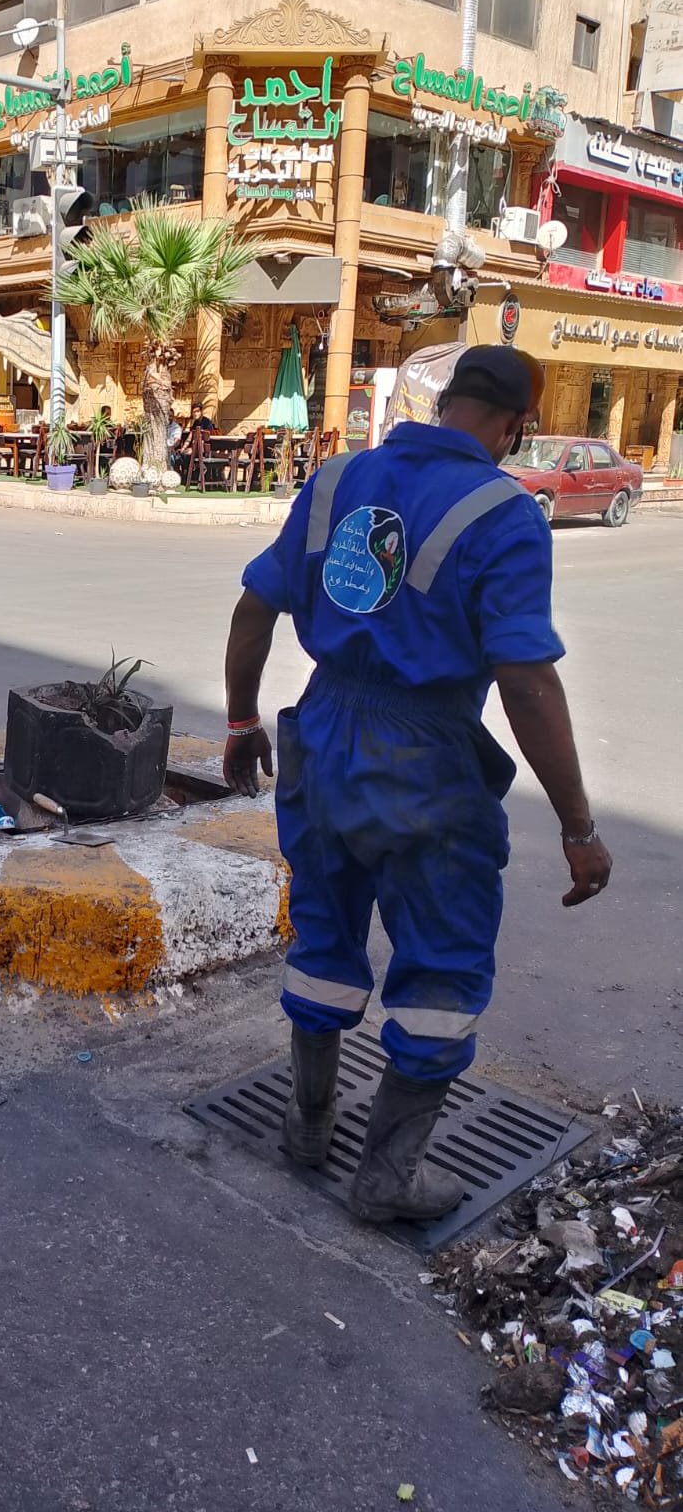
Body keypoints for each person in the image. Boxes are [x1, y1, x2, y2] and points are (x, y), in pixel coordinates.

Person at [221, 346, 611, 1226]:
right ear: (515, 426)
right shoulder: (504, 512)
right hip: (426, 760)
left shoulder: (335, 480)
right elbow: (527, 681)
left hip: (323, 736)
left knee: (324, 935)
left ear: (447, 403)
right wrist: (578, 825)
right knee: (441, 964)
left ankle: (307, 1127)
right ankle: (388, 1177)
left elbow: (254, 607)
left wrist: (242, 720)